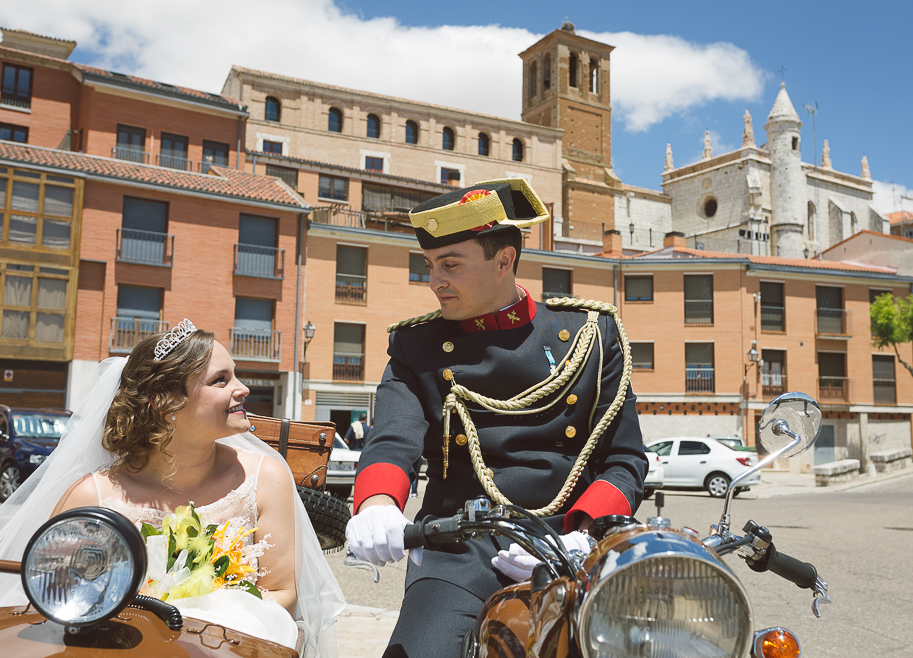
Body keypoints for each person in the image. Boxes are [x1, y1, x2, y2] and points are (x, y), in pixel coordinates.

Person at [345, 179, 648, 657]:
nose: (435, 281)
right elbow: (392, 439)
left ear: (504, 260)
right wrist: (377, 503)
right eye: (430, 266)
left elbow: (625, 459)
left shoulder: (591, 334)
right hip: (457, 551)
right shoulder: (417, 347)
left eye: (450, 265)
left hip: (570, 545)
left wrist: (582, 536)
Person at [0, 320, 346, 657]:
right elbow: (57, 597)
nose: (242, 388)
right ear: (166, 404)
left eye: (235, 375)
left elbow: (282, 592)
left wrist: (203, 618)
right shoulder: (93, 497)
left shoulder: (265, 478)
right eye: (220, 380)